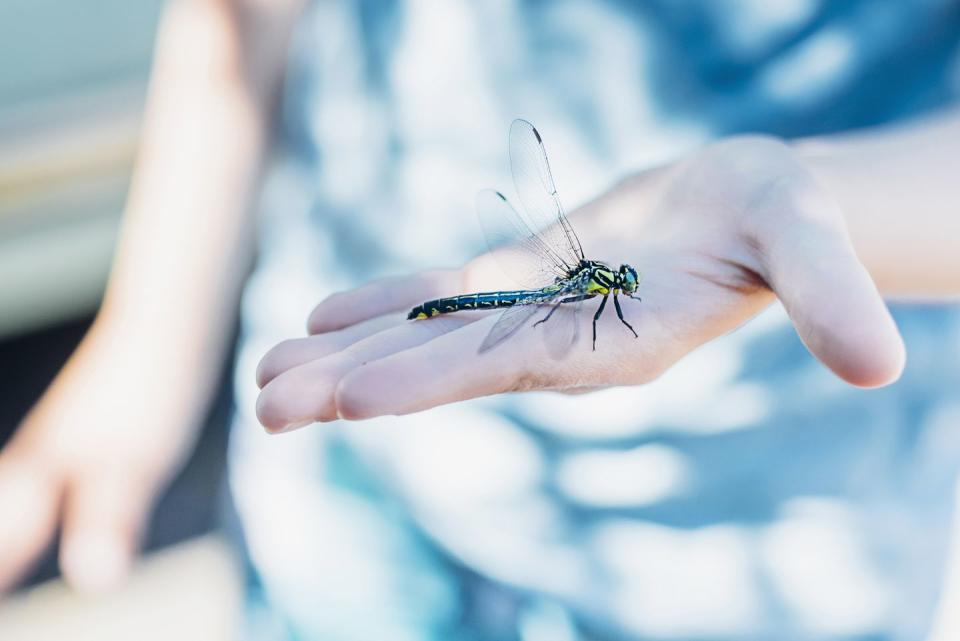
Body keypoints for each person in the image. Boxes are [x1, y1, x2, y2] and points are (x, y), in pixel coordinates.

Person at [2, 0, 959, 639]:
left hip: (761, 562)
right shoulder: (590, 287)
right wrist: (149, 331)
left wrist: (819, 201)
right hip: (345, 471)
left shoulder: (606, 284)